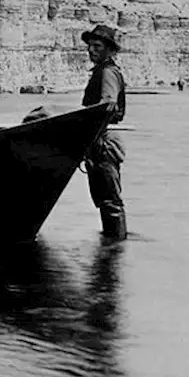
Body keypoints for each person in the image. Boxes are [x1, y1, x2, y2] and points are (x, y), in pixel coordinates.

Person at [81, 24, 127, 239]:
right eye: (90, 46)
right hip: (98, 140)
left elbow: (107, 105)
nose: (91, 50)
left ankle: (115, 245)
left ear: (109, 49)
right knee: (104, 197)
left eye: (97, 46)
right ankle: (112, 246)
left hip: (105, 141)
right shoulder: (102, 71)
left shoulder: (108, 72)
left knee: (110, 199)